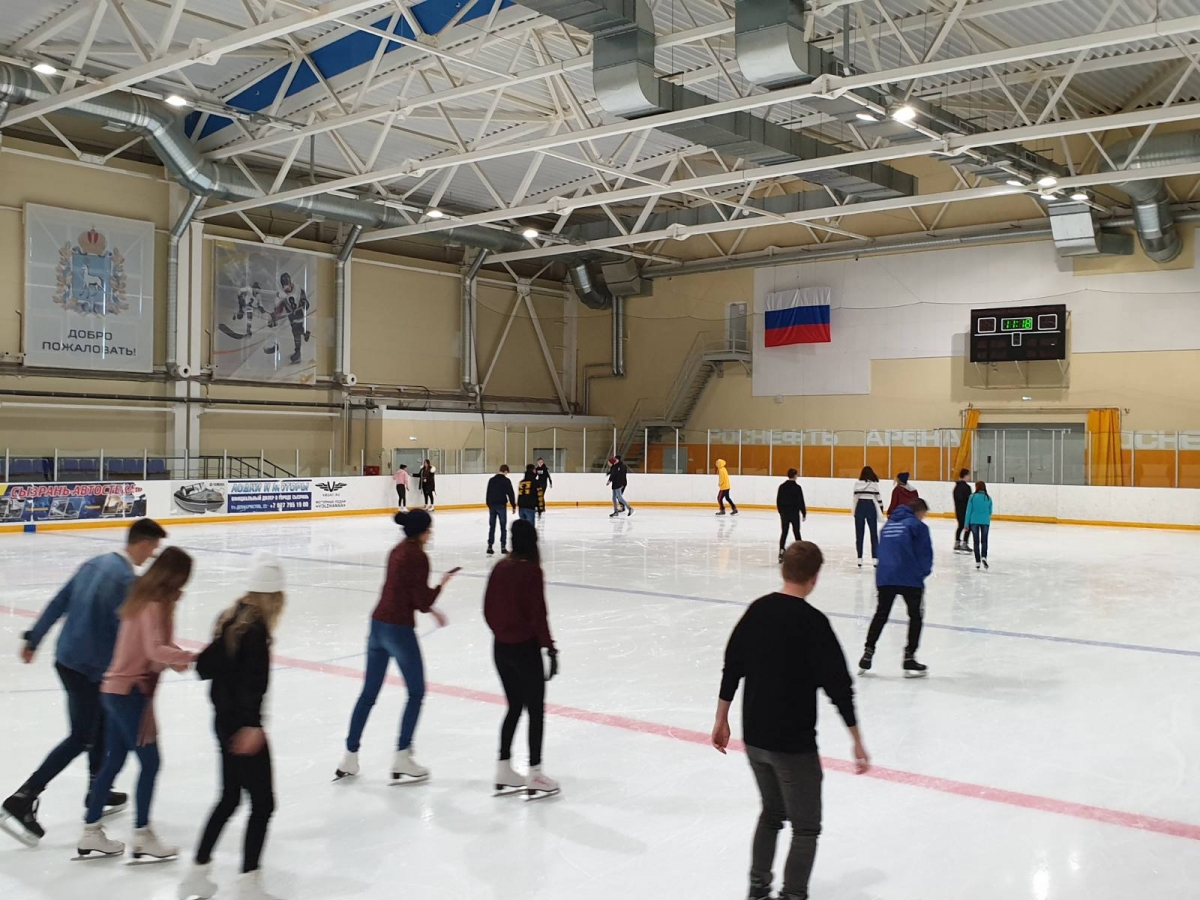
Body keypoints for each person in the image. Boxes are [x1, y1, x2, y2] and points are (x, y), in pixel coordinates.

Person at [712, 542, 869, 900]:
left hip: (755, 740)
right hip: (793, 745)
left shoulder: (757, 611)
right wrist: (857, 739)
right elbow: (839, 687)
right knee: (806, 827)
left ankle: (758, 889)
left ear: (784, 571)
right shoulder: (813, 624)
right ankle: (792, 895)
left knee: (771, 814)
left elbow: (731, 667)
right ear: (815, 578)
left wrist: (721, 719)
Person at [1, 518, 167, 846]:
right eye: (152, 548)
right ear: (143, 543)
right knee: (82, 736)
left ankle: (97, 791)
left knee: (102, 726)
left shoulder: (94, 564)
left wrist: (34, 638)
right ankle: (23, 798)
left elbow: (60, 602)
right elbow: (127, 635)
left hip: (68, 660)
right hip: (90, 670)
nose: (151, 556)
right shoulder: (124, 581)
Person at [78, 547, 197, 861]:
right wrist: (192, 658)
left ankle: (91, 831)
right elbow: (156, 650)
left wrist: (183, 660)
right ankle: (142, 834)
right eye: (183, 578)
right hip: (130, 693)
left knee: (115, 760)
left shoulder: (144, 599)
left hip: (118, 691)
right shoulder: (152, 605)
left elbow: (158, 648)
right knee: (150, 762)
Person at [180, 553, 286, 900]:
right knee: (263, 803)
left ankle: (197, 874)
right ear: (274, 597)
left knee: (229, 798)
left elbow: (206, 668)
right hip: (242, 727)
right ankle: (248, 883)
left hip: (224, 723)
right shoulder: (254, 631)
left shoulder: (230, 618)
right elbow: (253, 684)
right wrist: (251, 725)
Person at [336, 510, 455, 783]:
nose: (432, 533)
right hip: (398, 630)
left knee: (368, 695)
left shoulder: (396, 551)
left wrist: (432, 609)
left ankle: (349, 756)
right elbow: (421, 601)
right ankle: (402, 755)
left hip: (377, 626)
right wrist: (442, 585)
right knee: (416, 691)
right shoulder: (418, 556)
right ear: (422, 532)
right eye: (430, 529)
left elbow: (405, 592)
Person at [483, 520, 560, 798]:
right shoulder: (531, 571)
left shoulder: (500, 567)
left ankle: (503, 766)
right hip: (525, 650)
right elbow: (539, 616)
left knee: (514, 706)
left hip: (500, 650)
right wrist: (549, 648)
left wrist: (502, 633)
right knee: (535, 711)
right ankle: (535, 773)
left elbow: (487, 609)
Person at [859, 498, 933, 678]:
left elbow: (882, 551)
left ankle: (868, 652)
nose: (923, 518)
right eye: (924, 514)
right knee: (915, 616)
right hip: (910, 578)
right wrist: (921, 574)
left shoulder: (888, 526)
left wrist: (882, 576)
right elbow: (925, 554)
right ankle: (909, 657)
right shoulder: (917, 526)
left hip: (886, 577)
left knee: (881, 614)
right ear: (919, 512)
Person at [852, 467, 885, 568]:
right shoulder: (874, 485)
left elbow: (855, 498)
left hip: (860, 508)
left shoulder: (857, 484)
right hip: (871, 508)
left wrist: (854, 511)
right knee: (874, 534)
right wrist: (881, 509)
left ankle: (859, 559)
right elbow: (878, 498)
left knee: (859, 534)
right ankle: (875, 559)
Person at [775, 469, 807, 563]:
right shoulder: (797, 488)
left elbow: (778, 500)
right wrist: (803, 512)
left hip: (784, 513)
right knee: (796, 531)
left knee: (784, 532)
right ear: (795, 476)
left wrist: (780, 511)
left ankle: (781, 550)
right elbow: (801, 501)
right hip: (794, 513)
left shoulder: (782, 487)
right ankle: (801, 551)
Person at [486, 465, 517, 556]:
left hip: (492, 505)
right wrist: (513, 505)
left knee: (492, 526)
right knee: (503, 527)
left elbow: (488, 493)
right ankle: (503, 547)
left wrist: (489, 504)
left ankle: (490, 546)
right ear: (506, 471)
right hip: (501, 506)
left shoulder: (491, 480)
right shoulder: (506, 481)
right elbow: (510, 493)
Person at [966, 481, 993, 570]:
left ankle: (977, 561)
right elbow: (990, 512)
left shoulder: (972, 497)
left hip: (974, 521)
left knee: (976, 542)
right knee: (984, 541)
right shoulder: (988, 498)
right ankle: (984, 557)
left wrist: (966, 523)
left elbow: (968, 511)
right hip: (985, 521)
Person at [952, 468, 972, 552]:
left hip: (958, 510)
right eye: (968, 475)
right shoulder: (967, 487)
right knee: (968, 526)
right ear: (965, 475)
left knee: (960, 526)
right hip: (965, 511)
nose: (969, 477)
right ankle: (964, 543)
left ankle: (957, 542)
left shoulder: (956, 487)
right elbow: (969, 500)